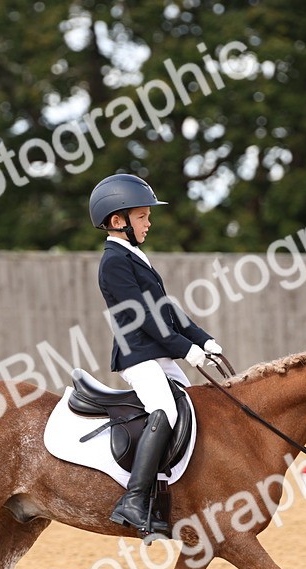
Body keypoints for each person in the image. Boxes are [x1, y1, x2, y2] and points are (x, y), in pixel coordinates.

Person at [89, 173, 223, 541]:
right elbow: (143, 317)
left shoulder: (135, 255)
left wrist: (203, 339)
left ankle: (176, 493)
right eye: (143, 217)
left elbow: (166, 309)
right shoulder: (114, 261)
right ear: (119, 221)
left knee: (193, 411)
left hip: (159, 353)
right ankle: (133, 500)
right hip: (139, 355)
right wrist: (185, 350)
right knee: (165, 408)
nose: (149, 223)